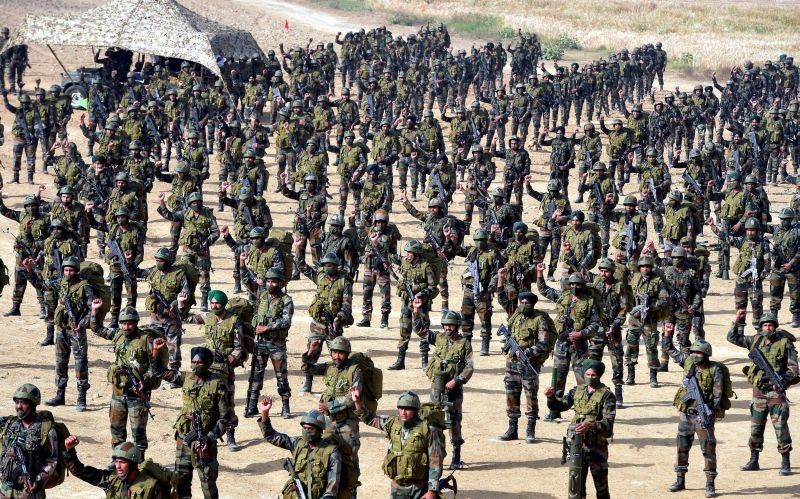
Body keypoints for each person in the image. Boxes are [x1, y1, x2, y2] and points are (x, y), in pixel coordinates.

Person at [91, 305, 176, 462]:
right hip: (118, 392)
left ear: (136, 323)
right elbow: (97, 329)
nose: (126, 327)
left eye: (129, 324)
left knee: (138, 435)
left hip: (138, 394)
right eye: (123, 323)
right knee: (116, 430)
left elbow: (155, 367)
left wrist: (144, 381)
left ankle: (138, 464)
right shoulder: (118, 335)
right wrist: (95, 312)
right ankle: (118, 461)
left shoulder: (146, 340)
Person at [727, 310, 798, 476]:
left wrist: (781, 380)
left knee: (780, 427)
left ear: (775, 326)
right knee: (756, 427)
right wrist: (737, 320)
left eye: (770, 325)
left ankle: (785, 461)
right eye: (765, 325)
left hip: (776, 393)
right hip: (758, 391)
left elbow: (794, 368)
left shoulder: (785, 343)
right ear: (761, 327)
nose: (767, 328)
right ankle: (754, 459)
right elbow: (732, 338)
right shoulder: (755, 340)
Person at [180, 290, 246, 451]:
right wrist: (181, 304)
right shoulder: (208, 317)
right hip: (206, 366)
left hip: (224, 369)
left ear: (223, 304)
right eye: (212, 303)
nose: (214, 306)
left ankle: (230, 435)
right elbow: (186, 317)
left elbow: (239, 347)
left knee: (227, 402)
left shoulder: (234, 321)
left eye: (217, 303)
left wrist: (229, 360)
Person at [351, 389, 444, 499]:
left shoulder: (427, 429)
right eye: (401, 408)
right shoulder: (392, 423)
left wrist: (432, 491)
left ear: (415, 410)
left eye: (408, 409)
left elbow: (435, 460)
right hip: (397, 486)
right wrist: (357, 402)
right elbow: (370, 419)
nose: (403, 412)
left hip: (419, 487)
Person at [663, 329, 721, 497]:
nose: (695, 355)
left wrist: (707, 414)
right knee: (682, 447)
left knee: (708, 449)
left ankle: (710, 483)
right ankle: (680, 479)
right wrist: (667, 334)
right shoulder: (687, 362)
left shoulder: (714, 370)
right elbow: (669, 349)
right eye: (693, 352)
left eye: (698, 353)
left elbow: (717, 396)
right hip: (685, 414)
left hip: (703, 416)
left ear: (706, 355)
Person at [545, 360, 616, 499]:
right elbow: (559, 406)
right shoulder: (576, 391)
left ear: (599, 375)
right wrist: (551, 398)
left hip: (597, 447)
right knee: (576, 485)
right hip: (577, 445)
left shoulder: (607, 395)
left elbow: (608, 424)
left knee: (601, 487)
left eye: (593, 375)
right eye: (587, 374)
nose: (590, 377)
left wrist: (590, 425)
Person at [172, 346, 231, 498]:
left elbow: (225, 418)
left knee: (207, 483)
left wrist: (209, 438)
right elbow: (160, 372)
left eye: (199, 363)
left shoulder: (217, 384)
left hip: (204, 443)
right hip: (183, 440)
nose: (195, 365)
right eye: (193, 362)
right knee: (181, 481)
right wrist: (156, 354)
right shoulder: (186, 378)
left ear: (207, 364)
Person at [255, 399, 342, 499]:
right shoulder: (298, 443)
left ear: (319, 430)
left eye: (310, 429)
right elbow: (271, 436)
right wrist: (264, 413)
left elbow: (331, 490)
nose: (306, 431)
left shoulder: (331, 452)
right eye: (304, 428)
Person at [424, 310, 474, 467]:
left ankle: (456, 455)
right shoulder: (438, 338)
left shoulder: (464, 343)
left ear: (457, 326)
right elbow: (420, 330)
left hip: (454, 389)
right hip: (436, 386)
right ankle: (433, 454)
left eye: (451, 325)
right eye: (445, 325)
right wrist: (417, 312)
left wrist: (456, 381)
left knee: (454, 421)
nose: (447, 328)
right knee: (432, 419)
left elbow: (469, 367)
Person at [243, 268, 293, 419]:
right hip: (260, 342)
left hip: (276, 344)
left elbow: (286, 321)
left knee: (281, 376)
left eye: (274, 281)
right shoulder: (263, 296)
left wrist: (268, 327)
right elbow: (247, 283)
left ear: (280, 283)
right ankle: (252, 405)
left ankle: (285, 406)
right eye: (269, 281)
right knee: (256, 375)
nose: (271, 284)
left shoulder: (286, 300)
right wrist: (242, 264)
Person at [0, 384, 59, 497]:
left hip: (29, 489)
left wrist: (39, 480)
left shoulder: (45, 429)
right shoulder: (10, 424)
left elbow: (52, 461)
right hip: (5, 489)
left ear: (33, 404)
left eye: (23, 403)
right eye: (17, 402)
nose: (19, 406)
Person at [64, 439, 166, 499]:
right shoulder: (111, 479)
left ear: (132, 464)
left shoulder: (151, 487)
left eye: (122, 462)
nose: (118, 466)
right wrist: (70, 450)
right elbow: (80, 471)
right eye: (116, 462)